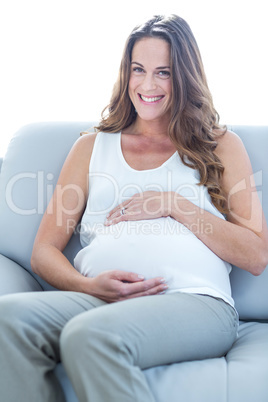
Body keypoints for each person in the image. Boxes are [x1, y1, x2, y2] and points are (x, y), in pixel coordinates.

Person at [1, 14, 268, 402]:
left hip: (195, 302)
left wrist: (175, 205)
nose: (147, 85)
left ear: (185, 77)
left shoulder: (220, 145)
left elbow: (256, 255)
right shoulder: (91, 148)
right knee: (6, 322)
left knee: (90, 336)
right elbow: (43, 252)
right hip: (99, 300)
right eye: (138, 70)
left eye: (164, 72)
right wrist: (89, 286)